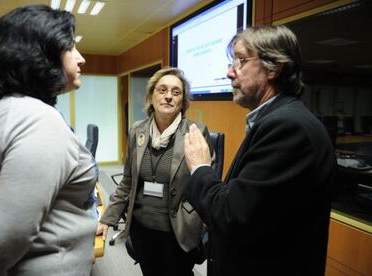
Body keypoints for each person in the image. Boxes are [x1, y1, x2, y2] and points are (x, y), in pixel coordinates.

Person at [184, 25, 336, 275]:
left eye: (241, 61)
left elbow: (232, 216)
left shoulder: (289, 127)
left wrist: (200, 167)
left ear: (274, 67)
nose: (229, 73)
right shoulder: (274, 120)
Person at [0, 5, 98, 276]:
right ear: (40, 53)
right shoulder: (36, 119)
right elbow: (9, 234)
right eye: (70, 47)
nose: (81, 58)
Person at [97, 67, 211, 276]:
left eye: (176, 92)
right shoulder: (137, 130)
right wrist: (107, 219)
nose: (168, 96)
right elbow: (128, 182)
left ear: (182, 102)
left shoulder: (195, 133)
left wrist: (199, 228)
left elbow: (203, 187)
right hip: (142, 229)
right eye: (162, 90)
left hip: (176, 232)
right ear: (151, 96)